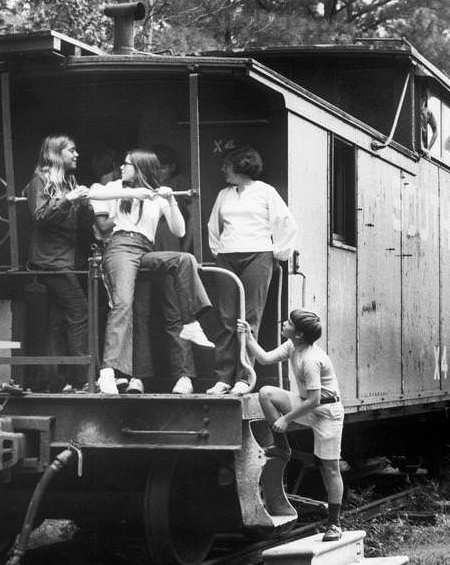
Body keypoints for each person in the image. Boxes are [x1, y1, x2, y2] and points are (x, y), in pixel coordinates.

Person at [91, 147, 214, 395]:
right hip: (120, 247)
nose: (121, 168)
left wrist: (169, 200)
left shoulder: (157, 197)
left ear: (141, 168)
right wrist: (137, 192)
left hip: (145, 249)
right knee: (123, 304)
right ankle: (108, 371)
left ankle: (191, 323)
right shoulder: (115, 188)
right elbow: (96, 191)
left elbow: (179, 231)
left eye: (127, 164)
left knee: (185, 260)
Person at [237, 309, 345, 542]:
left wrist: (285, 419)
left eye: (288, 323)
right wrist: (247, 336)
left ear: (298, 335)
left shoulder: (311, 359)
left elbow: (315, 400)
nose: (284, 324)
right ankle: (282, 447)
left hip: (327, 413)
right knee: (266, 393)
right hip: (306, 405)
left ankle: (334, 524)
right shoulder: (292, 346)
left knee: (330, 468)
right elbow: (265, 358)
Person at [206, 145, 298, 396]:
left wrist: (277, 253)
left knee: (248, 319)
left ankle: (244, 378)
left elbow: (286, 223)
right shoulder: (224, 194)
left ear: (241, 165)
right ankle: (223, 378)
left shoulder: (265, 192)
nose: (223, 169)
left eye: (227, 164)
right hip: (227, 257)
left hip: (257, 255)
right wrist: (219, 251)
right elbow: (213, 226)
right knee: (226, 318)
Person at [24, 134, 92, 391]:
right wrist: (69, 200)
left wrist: (84, 204)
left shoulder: (69, 182)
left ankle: (55, 381)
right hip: (50, 262)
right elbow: (39, 216)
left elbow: (82, 224)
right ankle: (81, 379)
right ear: (56, 154)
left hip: (63, 260)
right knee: (79, 311)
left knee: (57, 321)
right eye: (72, 150)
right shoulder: (39, 182)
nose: (77, 155)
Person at [129, 144, 197, 394]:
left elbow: (189, 222)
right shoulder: (134, 191)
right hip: (143, 256)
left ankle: (184, 375)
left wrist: (186, 250)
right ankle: (138, 376)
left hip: (169, 258)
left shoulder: (175, 188)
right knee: (140, 316)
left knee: (175, 316)